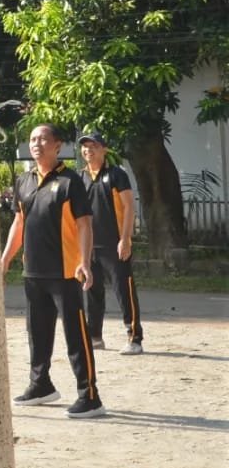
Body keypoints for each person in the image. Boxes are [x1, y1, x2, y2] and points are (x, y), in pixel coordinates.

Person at [1, 123, 105, 418]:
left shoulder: (71, 181)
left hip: (66, 271)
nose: (37, 143)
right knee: (37, 331)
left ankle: (90, 395)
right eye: (33, 139)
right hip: (33, 271)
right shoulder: (24, 181)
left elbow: (84, 224)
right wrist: (6, 258)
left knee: (76, 335)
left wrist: (84, 262)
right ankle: (41, 384)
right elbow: (19, 223)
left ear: (58, 144)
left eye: (43, 139)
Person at [77, 130, 144, 355]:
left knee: (123, 290)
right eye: (85, 146)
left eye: (93, 145)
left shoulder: (117, 174)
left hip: (114, 243)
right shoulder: (81, 177)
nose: (88, 150)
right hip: (89, 246)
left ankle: (134, 338)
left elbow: (129, 207)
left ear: (104, 148)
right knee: (92, 291)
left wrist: (125, 238)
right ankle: (95, 336)